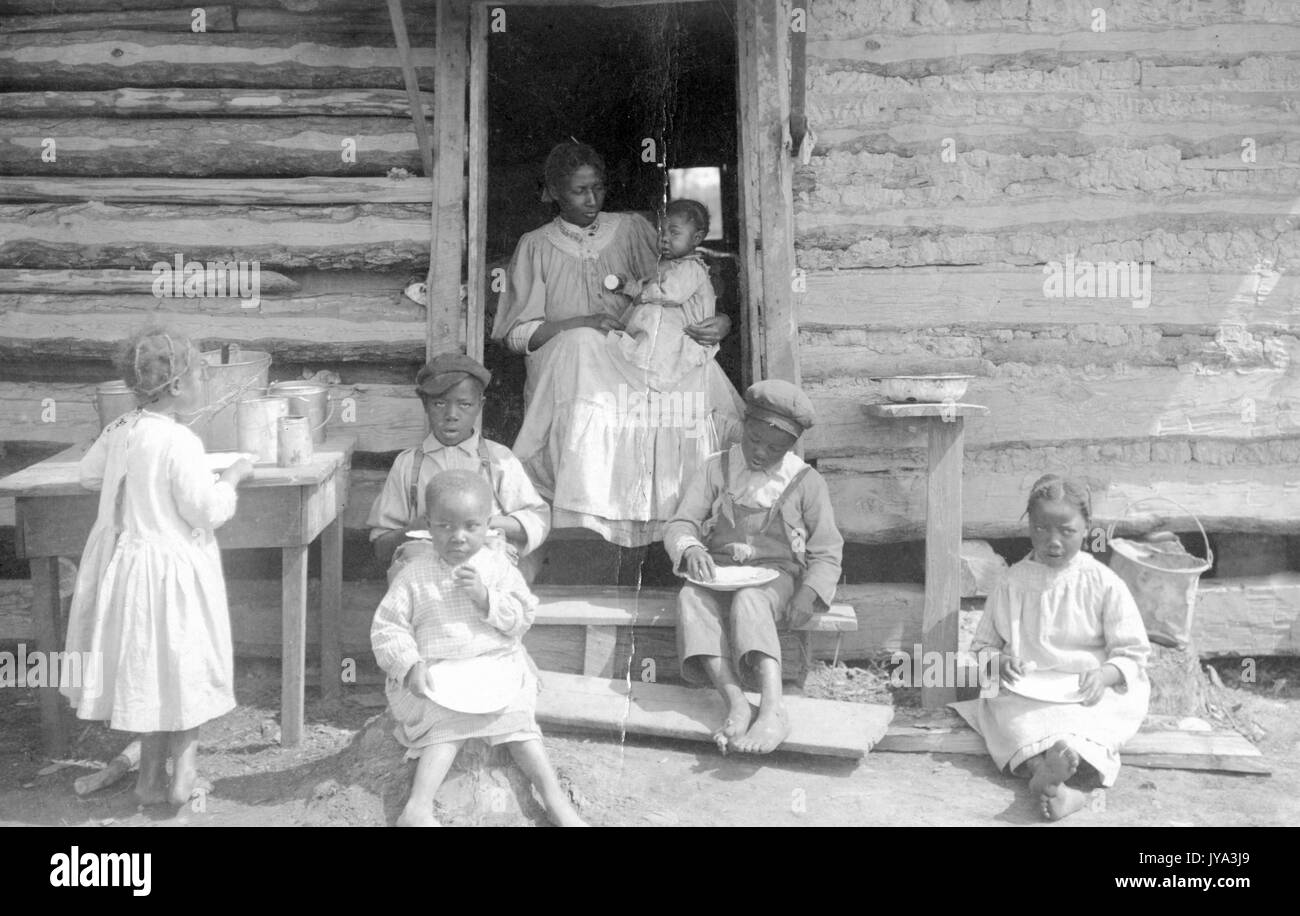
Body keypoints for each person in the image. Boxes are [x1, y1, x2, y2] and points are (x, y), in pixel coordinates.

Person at [491, 141, 742, 549]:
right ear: (554, 192)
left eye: (599, 188)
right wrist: (581, 323)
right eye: (578, 191)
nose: (592, 199)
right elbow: (515, 336)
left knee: (689, 362)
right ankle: (585, 513)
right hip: (574, 362)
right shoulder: (535, 246)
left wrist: (723, 322)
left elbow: (690, 275)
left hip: (637, 356)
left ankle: (681, 516)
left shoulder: (631, 230)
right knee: (581, 343)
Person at [63, 327, 254, 807]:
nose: (204, 385)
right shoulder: (179, 441)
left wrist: (133, 492)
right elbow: (206, 511)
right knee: (184, 669)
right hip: (175, 574)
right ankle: (184, 774)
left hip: (132, 570)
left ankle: (150, 780)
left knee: (150, 674)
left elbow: (89, 474)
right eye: (199, 377)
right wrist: (231, 478)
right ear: (175, 387)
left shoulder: (122, 429)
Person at [370, 470, 585, 827]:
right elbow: (388, 628)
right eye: (444, 527)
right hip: (437, 673)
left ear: (488, 526)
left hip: (492, 667)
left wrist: (487, 598)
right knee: (446, 726)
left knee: (520, 725)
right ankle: (417, 808)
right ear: (428, 526)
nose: (458, 537)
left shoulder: (497, 567)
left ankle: (554, 798)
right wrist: (409, 665)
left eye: (471, 526)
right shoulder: (414, 575)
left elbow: (521, 617)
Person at [951, 475, 1151, 821]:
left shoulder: (1102, 583)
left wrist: (1105, 675)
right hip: (1027, 692)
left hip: (1086, 691)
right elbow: (983, 646)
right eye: (1041, 529)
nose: (1053, 541)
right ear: (1029, 525)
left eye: (1066, 531)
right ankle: (1053, 780)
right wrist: (998, 663)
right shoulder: (1012, 582)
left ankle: (1057, 780)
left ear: (1087, 527)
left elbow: (1132, 651)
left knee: (1091, 728)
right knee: (1012, 719)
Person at [664, 380, 843, 755]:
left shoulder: (805, 482)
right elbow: (682, 523)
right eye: (754, 441)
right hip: (719, 572)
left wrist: (809, 593)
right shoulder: (717, 468)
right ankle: (735, 700)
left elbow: (827, 549)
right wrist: (692, 547)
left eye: (775, 448)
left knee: (750, 599)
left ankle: (774, 708)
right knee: (690, 597)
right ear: (744, 427)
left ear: (792, 446)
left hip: (776, 577)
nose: (760, 453)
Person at [366, 352, 550, 583]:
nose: (451, 415)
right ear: (425, 404)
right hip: (427, 576)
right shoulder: (408, 465)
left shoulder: (499, 459)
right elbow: (381, 547)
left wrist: (481, 521)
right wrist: (416, 527)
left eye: (464, 404)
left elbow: (536, 522)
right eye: (440, 403)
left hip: (484, 577)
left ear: (479, 405)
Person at [606, 198, 721, 392]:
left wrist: (644, 295)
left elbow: (671, 294)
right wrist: (629, 287)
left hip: (685, 331)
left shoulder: (691, 268)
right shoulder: (669, 266)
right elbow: (650, 287)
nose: (665, 238)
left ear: (697, 238)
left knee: (658, 337)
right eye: (662, 232)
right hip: (673, 329)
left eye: (674, 233)